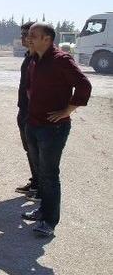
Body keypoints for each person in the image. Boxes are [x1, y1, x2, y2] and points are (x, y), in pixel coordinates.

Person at [21, 22, 92, 237]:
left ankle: (50, 222)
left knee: (50, 175)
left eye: (34, 35)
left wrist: (67, 110)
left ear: (47, 39)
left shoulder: (61, 60)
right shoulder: (34, 59)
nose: (28, 38)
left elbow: (84, 85)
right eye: (29, 35)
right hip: (33, 123)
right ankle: (43, 210)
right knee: (41, 173)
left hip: (53, 129)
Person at [15, 21, 40, 200]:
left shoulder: (40, 58)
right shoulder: (29, 56)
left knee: (36, 150)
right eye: (23, 34)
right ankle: (36, 181)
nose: (24, 38)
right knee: (29, 149)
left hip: (34, 113)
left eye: (28, 34)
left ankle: (41, 188)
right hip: (24, 110)